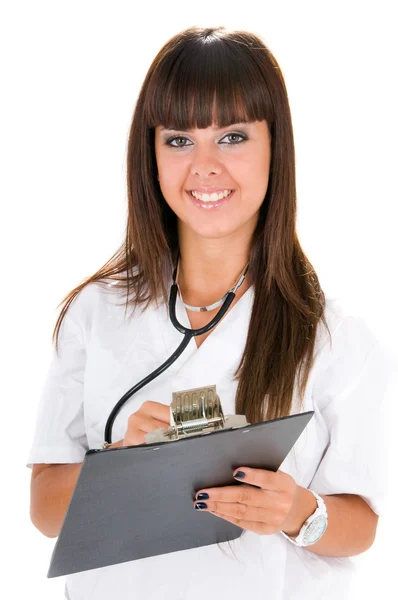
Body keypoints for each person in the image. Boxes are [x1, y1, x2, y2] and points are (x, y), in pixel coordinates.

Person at [26, 25, 394, 600]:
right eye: (178, 139)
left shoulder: (337, 336)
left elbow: (362, 525)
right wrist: (121, 466)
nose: (204, 166)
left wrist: (298, 511)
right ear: (149, 154)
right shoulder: (95, 313)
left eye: (233, 137)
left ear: (277, 146)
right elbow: (46, 511)